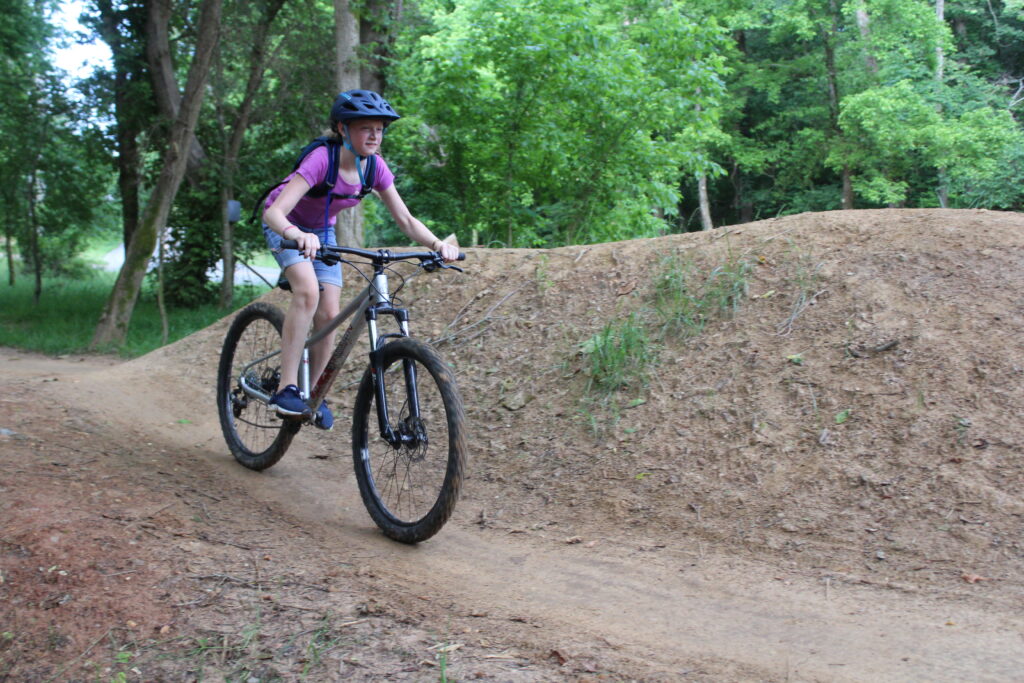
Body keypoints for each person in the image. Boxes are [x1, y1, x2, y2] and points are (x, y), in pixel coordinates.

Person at [262, 89, 459, 429]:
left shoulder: (374, 167)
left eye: (379, 129)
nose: (374, 136)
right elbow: (274, 213)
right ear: (342, 128)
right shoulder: (322, 160)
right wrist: (296, 234)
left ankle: (314, 394)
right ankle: (286, 388)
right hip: (287, 225)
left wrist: (437, 244)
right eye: (366, 128)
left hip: (322, 231)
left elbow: (406, 219)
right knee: (307, 292)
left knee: (329, 313)